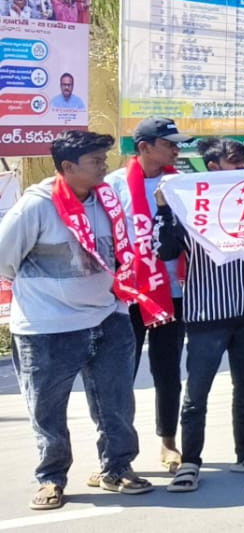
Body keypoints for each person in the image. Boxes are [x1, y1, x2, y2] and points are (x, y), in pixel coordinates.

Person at [0, 132, 152, 510]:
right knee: (47, 410)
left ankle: (117, 468)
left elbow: (122, 254)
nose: (104, 165)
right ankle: (51, 478)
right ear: (67, 168)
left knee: (117, 403)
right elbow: (4, 261)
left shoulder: (108, 201)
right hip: (47, 329)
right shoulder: (35, 207)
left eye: (104, 158)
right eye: (96, 160)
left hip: (108, 319)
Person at [169, 138, 244, 491]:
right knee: (197, 392)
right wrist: (165, 212)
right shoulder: (191, 206)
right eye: (236, 162)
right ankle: (190, 461)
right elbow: (167, 250)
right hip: (207, 313)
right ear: (213, 167)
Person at [104, 117, 191, 475]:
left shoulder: (182, 184)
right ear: (144, 147)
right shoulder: (112, 186)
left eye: (177, 143)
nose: (176, 149)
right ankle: (117, 449)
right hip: (129, 296)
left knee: (168, 371)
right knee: (122, 373)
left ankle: (168, 442)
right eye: (169, 143)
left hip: (174, 293)